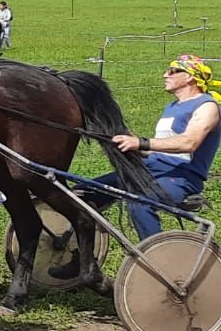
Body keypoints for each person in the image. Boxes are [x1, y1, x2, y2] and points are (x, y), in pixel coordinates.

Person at [87, 55, 220, 241]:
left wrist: (141, 142)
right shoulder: (173, 106)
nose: (165, 75)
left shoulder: (207, 106)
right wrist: (121, 135)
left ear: (190, 76)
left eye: (172, 71)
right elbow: (156, 149)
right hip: (151, 169)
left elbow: (189, 142)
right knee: (85, 192)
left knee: (140, 201)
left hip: (182, 176)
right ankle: (83, 257)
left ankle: (156, 260)